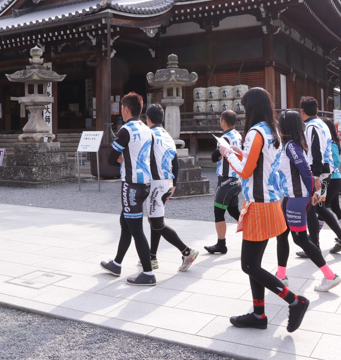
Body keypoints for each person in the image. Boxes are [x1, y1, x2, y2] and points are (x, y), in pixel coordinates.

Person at [218, 87, 310, 332]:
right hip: (269, 201)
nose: (244, 112)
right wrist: (239, 152)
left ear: (252, 108)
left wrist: (228, 153)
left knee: (249, 265)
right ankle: (259, 314)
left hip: (257, 204)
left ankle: (294, 300)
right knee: (254, 263)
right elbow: (259, 161)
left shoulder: (254, 132)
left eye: (246, 107)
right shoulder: (271, 129)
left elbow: (246, 171)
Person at [275, 110, 341, 292]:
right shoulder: (291, 145)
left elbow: (305, 170)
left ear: (284, 127)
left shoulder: (291, 147)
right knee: (281, 235)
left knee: (301, 240)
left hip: (296, 198)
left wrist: (314, 192)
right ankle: (281, 275)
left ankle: (330, 276)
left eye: (279, 124)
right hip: (289, 197)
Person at [100, 92, 156, 286]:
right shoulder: (148, 129)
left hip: (131, 185)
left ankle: (148, 273)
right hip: (146, 183)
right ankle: (116, 263)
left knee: (136, 229)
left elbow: (109, 158)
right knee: (125, 221)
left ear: (125, 109)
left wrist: (120, 160)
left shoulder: (125, 130)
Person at [143, 104, 199, 271]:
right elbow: (175, 161)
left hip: (156, 183)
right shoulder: (167, 135)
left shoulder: (150, 134)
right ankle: (152, 257)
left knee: (157, 222)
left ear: (148, 119)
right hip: (167, 182)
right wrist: (173, 184)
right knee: (155, 218)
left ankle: (186, 251)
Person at [295, 97, 341, 257]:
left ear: (302, 112)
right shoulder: (322, 124)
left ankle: (314, 246)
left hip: (319, 172)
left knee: (311, 208)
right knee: (319, 207)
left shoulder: (312, 126)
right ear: (317, 110)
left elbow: (315, 152)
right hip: (327, 171)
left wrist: (315, 176)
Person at [205, 110, 242, 254]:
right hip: (237, 179)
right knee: (233, 211)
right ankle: (251, 233)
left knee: (218, 213)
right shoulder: (238, 136)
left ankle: (221, 244)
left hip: (226, 181)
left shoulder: (224, 138)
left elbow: (215, 157)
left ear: (223, 121)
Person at [320, 117, 341, 248]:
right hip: (334, 180)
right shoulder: (331, 143)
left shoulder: (332, 144)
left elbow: (336, 162)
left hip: (332, 180)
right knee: (335, 208)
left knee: (321, 208)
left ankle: (314, 236)